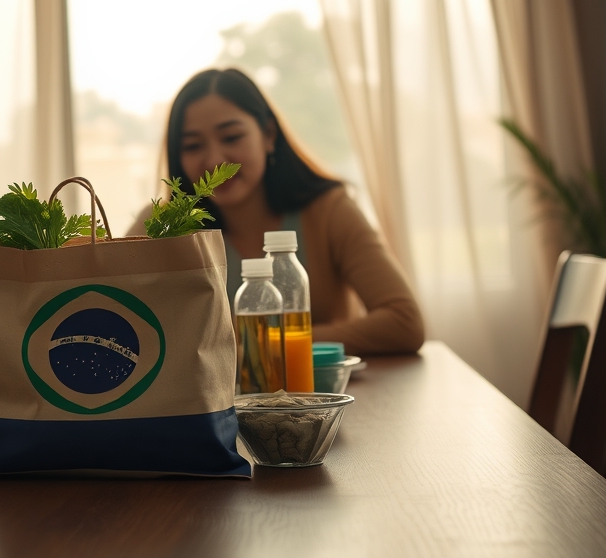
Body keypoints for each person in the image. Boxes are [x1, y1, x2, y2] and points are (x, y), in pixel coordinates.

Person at [128, 68, 424, 355]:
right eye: (192, 145)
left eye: (231, 138)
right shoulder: (164, 226)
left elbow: (405, 323)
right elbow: (115, 315)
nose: (214, 160)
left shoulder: (330, 211)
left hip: (320, 401)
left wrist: (259, 341)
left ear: (269, 134)